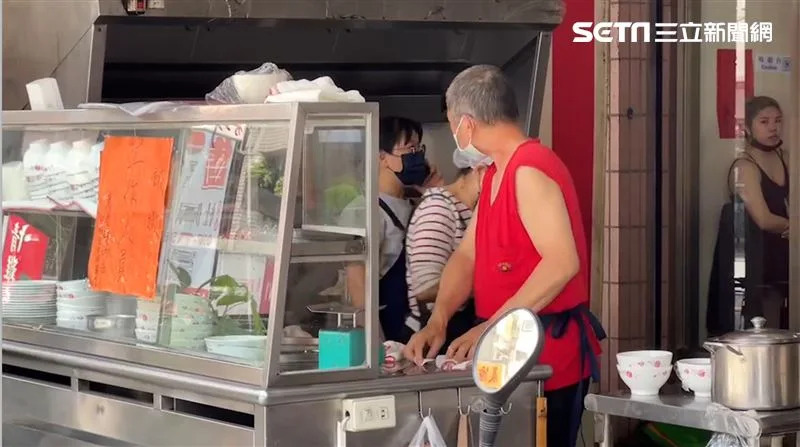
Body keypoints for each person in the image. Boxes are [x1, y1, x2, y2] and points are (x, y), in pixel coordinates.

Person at [403, 65, 605, 447]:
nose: (454, 137)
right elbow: (467, 255)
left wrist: (493, 326)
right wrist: (439, 320)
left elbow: (562, 264)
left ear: (467, 123)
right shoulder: (496, 173)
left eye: (451, 126)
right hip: (504, 353)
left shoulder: (530, 168)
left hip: (546, 359)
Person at [341, 116, 442, 344]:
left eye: (419, 148)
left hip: (421, 330)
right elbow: (358, 284)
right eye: (409, 149)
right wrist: (375, 345)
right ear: (382, 157)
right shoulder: (364, 210)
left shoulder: (418, 204)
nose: (417, 155)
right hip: (388, 331)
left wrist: (436, 193)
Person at [402, 148, 490, 347]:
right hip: (435, 336)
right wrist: (490, 288)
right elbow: (424, 289)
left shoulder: (474, 211)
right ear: (480, 171)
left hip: (465, 329)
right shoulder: (439, 209)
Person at [728, 96, 789, 329]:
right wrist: (792, 227)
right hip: (756, 254)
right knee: (762, 321)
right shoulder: (744, 165)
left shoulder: (785, 157)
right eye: (764, 121)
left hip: (784, 250)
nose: (773, 127)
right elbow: (762, 219)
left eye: (777, 120)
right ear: (747, 127)